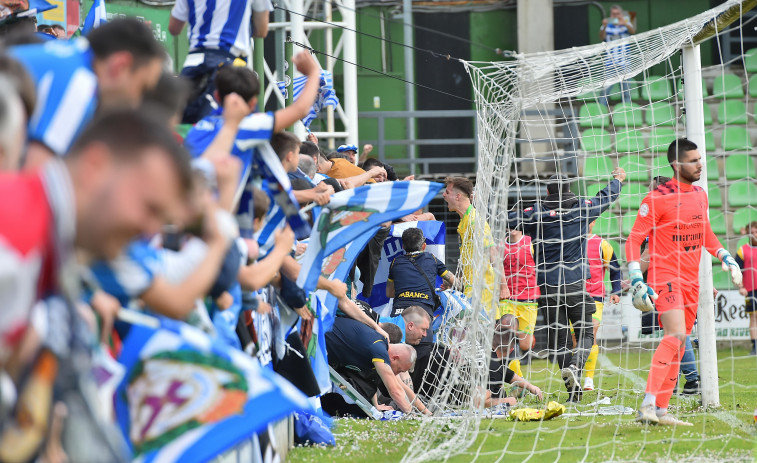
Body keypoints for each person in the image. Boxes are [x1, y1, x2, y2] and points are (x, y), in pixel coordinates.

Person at [0, 111, 192, 459]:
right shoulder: (13, 241)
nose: (151, 231)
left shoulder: (47, 245)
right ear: (94, 166)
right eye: (149, 208)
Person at [626, 138, 742, 426]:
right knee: (675, 334)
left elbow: (706, 233)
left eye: (700, 158)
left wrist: (725, 256)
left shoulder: (701, 195)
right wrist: (637, 279)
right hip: (667, 278)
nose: (700, 163)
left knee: (680, 343)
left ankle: (661, 410)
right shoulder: (655, 198)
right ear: (677, 165)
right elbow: (634, 239)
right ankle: (647, 405)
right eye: (693, 160)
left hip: (692, 281)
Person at [507, 168, 625, 402]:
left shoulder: (536, 213)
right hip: (575, 285)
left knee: (558, 343)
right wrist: (617, 180)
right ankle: (576, 366)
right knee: (585, 333)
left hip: (548, 288)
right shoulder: (582, 208)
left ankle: (574, 393)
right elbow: (605, 196)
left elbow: (509, 220)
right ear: (570, 190)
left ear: (548, 191)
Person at [10, 18, 166, 168]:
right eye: (142, 88)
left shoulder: (71, 57)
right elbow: (35, 176)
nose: (137, 102)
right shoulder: (81, 82)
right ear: (120, 65)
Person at [640, 175, 701, 394]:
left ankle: (690, 379)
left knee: (675, 332)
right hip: (678, 280)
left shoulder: (662, 220)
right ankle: (676, 381)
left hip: (671, 282)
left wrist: (634, 275)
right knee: (676, 332)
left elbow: (648, 253)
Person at [169, 0, 272, 123]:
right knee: (249, 127)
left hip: (194, 63)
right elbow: (261, 30)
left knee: (175, 121)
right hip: (231, 64)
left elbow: (174, 28)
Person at [324, 317, 417, 415]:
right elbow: (394, 390)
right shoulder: (380, 350)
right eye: (399, 370)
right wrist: (411, 415)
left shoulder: (380, 348)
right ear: (395, 358)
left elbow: (371, 381)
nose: (396, 373)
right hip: (316, 338)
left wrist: (375, 405)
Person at [442, 176, 508, 313]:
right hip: (470, 288)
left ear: (458, 196)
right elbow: (468, 261)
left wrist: (503, 287)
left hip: (482, 291)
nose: (443, 195)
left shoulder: (474, 221)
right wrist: (455, 283)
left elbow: (493, 254)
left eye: (447, 192)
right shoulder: (463, 222)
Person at [581, 219, 622, 391]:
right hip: (572, 295)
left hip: (595, 296)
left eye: (589, 219)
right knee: (576, 339)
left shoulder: (602, 245)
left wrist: (616, 290)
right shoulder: (569, 241)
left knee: (591, 332)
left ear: (594, 222)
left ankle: (588, 379)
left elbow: (615, 269)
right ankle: (576, 373)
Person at [386, 228, 455, 322]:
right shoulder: (432, 259)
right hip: (423, 311)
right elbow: (456, 283)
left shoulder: (396, 262)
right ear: (424, 246)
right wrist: (449, 286)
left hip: (400, 311)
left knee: (398, 335)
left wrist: (406, 293)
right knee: (423, 334)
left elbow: (389, 293)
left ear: (403, 246)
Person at [499, 227, 540, 366]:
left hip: (528, 299)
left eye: (516, 224)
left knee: (524, 344)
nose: (512, 228)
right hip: (507, 299)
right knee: (505, 339)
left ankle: (526, 340)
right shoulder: (500, 246)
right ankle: (517, 380)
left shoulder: (531, 243)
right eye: (509, 224)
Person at [599, 4, 635, 105]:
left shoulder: (627, 23)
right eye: (613, 14)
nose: (615, 15)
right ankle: (602, 113)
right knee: (605, 92)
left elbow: (633, 31)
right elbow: (601, 37)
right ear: (610, 14)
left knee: (626, 91)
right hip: (610, 64)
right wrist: (604, 25)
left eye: (617, 13)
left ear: (621, 13)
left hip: (625, 63)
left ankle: (627, 112)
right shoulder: (606, 25)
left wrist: (625, 23)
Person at [735, 221, 757, 356]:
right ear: (748, 233)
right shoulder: (742, 250)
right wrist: (741, 286)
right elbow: (737, 270)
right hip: (750, 289)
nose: (755, 235)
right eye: (753, 232)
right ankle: (755, 347)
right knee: (753, 317)